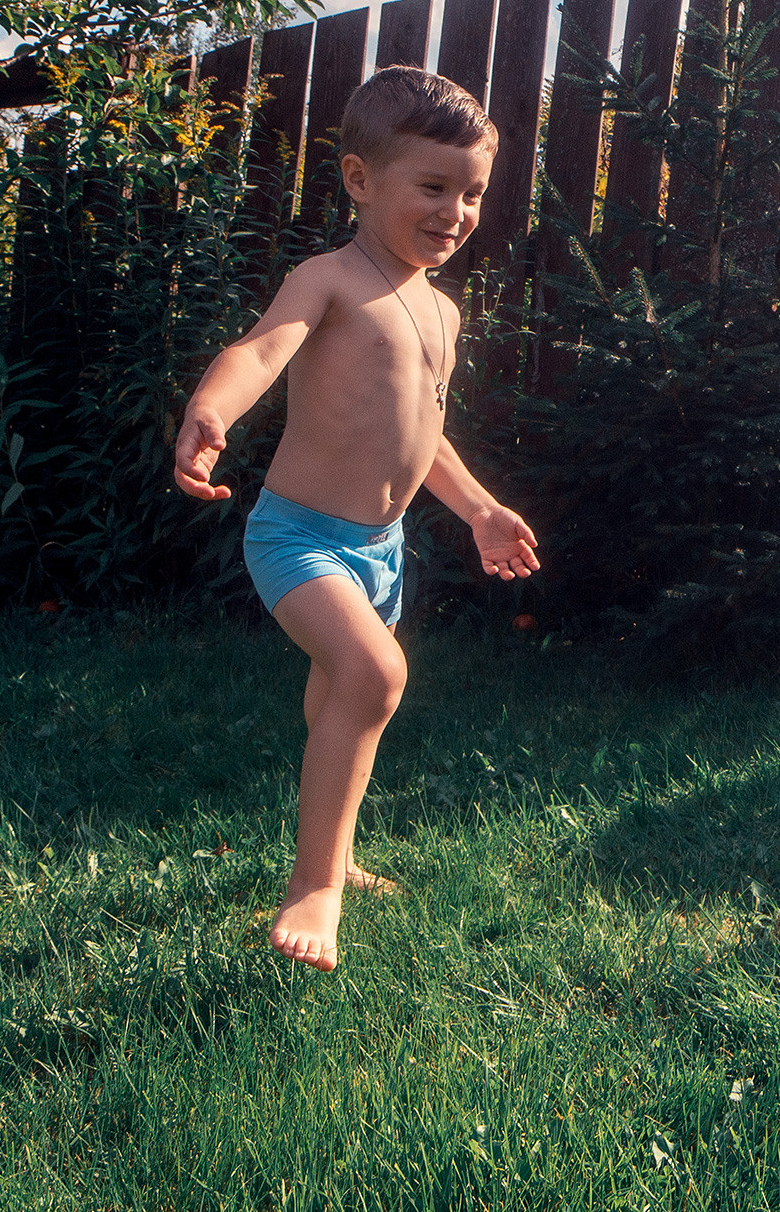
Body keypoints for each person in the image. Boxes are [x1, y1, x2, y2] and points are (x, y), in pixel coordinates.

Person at [171, 64, 539, 971]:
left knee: (342, 703)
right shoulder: (329, 278)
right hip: (297, 535)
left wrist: (482, 509)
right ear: (360, 180)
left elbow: (424, 435)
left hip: (382, 548)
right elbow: (260, 349)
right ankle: (314, 885)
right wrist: (214, 410)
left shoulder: (442, 309)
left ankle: (337, 851)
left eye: (473, 193)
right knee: (375, 676)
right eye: (434, 186)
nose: (455, 211)